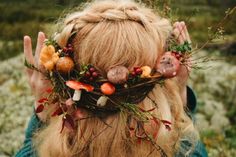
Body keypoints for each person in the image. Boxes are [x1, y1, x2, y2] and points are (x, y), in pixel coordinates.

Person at [16, 0, 208, 156]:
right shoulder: (183, 151)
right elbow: (190, 144)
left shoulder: (45, 153)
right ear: (154, 85)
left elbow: (29, 151)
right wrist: (180, 95)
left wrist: (42, 113)